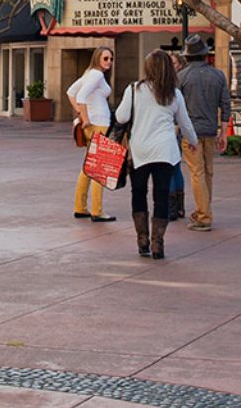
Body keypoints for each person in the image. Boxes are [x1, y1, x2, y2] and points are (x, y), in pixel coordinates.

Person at [113, 49, 200, 259]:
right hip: (166, 150)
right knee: (161, 196)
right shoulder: (174, 93)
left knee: (139, 193)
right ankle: (157, 244)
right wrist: (194, 141)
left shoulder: (134, 89)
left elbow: (121, 116)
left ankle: (142, 240)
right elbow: (185, 123)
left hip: (140, 150)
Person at [176, 35, 230, 231]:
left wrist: (176, 129)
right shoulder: (218, 75)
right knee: (208, 172)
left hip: (190, 131)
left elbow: (176, 107)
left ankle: (204, 215)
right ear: (205, 55)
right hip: (210, 129)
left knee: (196, 173)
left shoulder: (182, 77)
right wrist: (223, 132)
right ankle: (203, 209)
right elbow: (225, 104)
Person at [67, 47, 118, 223]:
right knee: (99, 169)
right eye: (105, 58)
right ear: (97, 58)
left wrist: (82, 116)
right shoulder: (96, 75)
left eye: (111, 59)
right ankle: (97, 210)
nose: (109, 62)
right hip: (99, 125)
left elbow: (70, 92)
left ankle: (80, 207)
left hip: (94, 124)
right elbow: (79, 96)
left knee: (89, 167)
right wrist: (84, 117)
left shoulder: (89, 73)